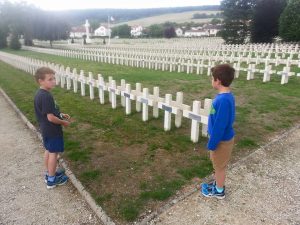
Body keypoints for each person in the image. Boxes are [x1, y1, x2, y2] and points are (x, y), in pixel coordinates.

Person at [201, 64, 235, 199]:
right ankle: (217, 184)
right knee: (218, 165)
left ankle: (219, 191)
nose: (211, 80)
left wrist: (212, 143)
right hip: (221, 139)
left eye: (212, 78)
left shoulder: (223, 101)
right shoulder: (226, 96)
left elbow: (220, 126)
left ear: (218, 81)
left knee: (220, 167)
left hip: (221, 141)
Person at [34, 67, 70, 189]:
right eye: (50, 79)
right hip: (52, 129)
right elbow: (50, 117)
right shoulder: (46, 96)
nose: (54, 81)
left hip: (45, 129)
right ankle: (52, 180)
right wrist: (62, 122)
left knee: (49, 150)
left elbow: (49, 112)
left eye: (54, 78)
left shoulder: (40, 94)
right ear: (41, 81)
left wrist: (60, 114)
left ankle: (50, 172)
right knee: (54, 153)